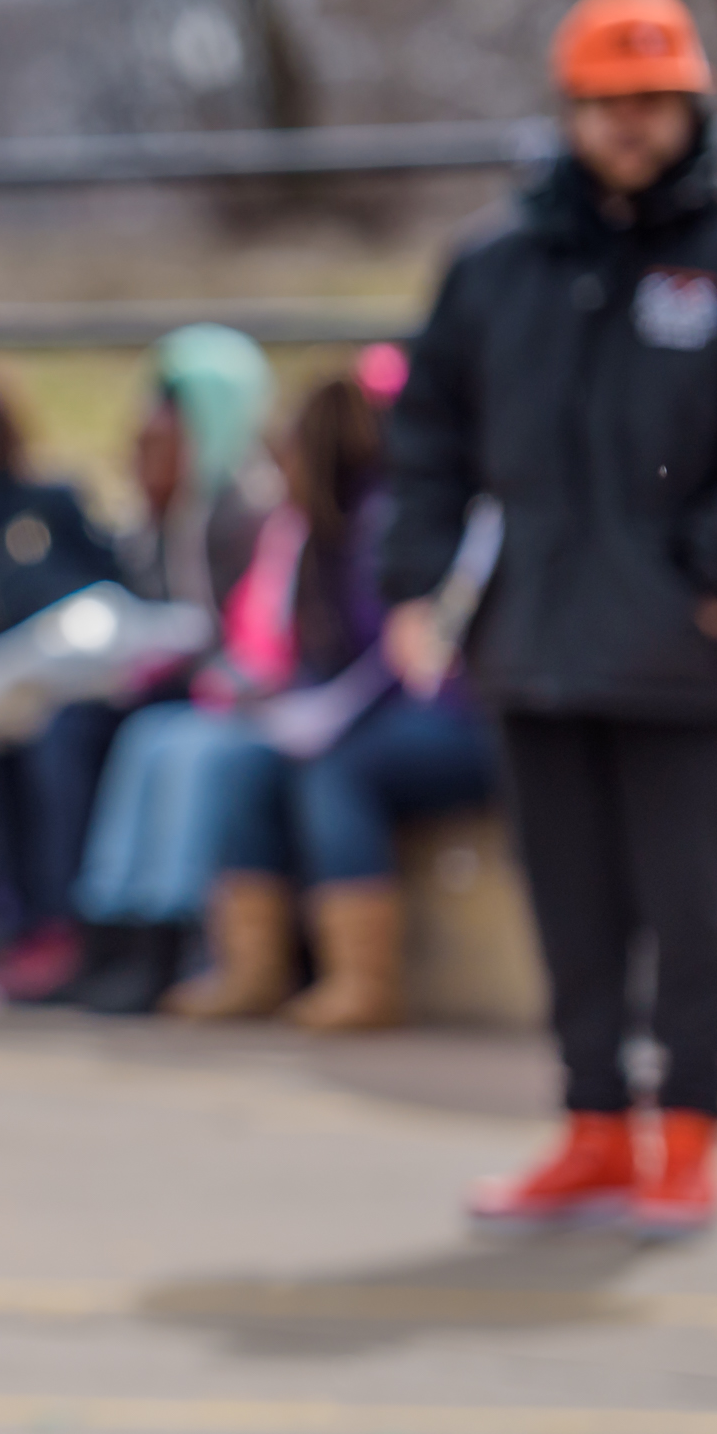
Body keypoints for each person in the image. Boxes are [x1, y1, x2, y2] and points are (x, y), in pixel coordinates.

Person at [385, 0, 717, 1232]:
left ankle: (687, 1138)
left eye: (654, 100)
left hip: (681, 651)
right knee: (571, 908)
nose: (630, 123)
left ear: (694, 106)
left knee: (687, 910)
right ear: (569, 109)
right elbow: (425, 438)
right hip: (529, 643)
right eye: (606, 101)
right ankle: (594, 1130)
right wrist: (422, 583)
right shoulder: (494, 265)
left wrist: (706, 570)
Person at [162, 369, 496, 1026]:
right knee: (250, 766)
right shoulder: (316, 529)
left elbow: (399, 661)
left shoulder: (383, 522)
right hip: (357, 715)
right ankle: (253, 968)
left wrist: (323, 718)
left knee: (338, 772)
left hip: (455, 717)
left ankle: (364, 979)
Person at [57, 324, 283, 1013]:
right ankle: (115, 923)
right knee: (142, 740)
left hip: (260, 699)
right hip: (198, 693)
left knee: (180, 751)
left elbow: (254, 635)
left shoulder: (247, 509)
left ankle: (167, 933)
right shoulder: (170, 513)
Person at [0, 381, 121, 1000]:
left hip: (71, 686)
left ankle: (58, 927)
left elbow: (105, 592)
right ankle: (8, 921)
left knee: (49, 742)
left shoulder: (48, 504)